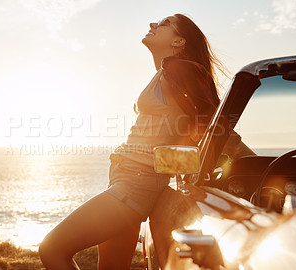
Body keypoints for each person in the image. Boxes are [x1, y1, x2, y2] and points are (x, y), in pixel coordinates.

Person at [38, 13, 252, 270]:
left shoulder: (181, 69)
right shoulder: (166, 72)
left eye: (164, 24)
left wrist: (258, 164)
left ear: (179, 41)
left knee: (52, 249)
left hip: (136, 184)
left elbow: (216, 129)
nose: (153, 24)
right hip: (126, 178)